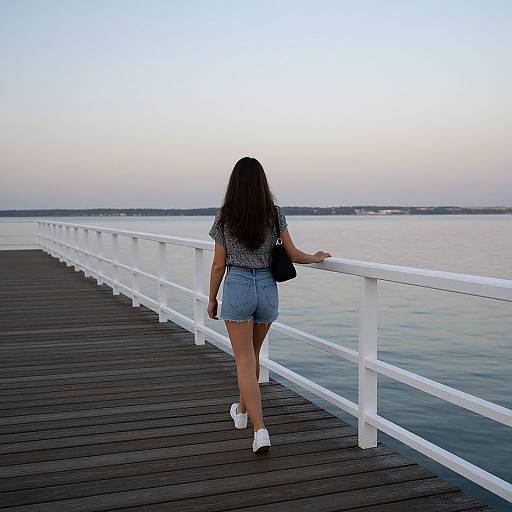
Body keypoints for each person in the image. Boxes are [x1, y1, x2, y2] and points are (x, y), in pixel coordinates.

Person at [207, 156, 331, 453]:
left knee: (243, 360)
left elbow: (217, 265)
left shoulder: (225, 216)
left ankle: (260, 429)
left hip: (238, 287)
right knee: (252, 358)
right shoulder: (274, 214)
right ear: (263, 182)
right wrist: (315, 256)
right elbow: (294, 254)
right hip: (266, 289)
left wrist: (212, 297)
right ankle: (240, 412)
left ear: (234, 183)